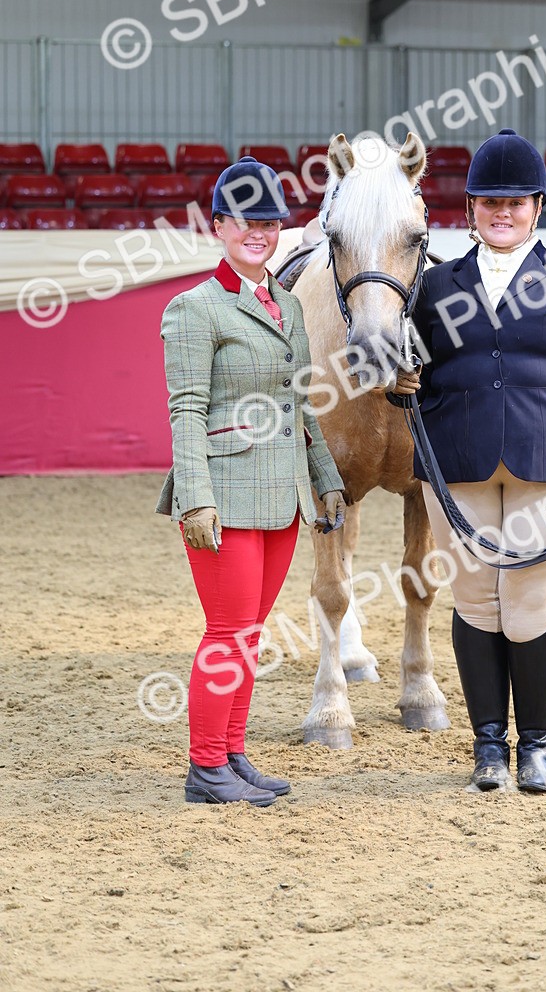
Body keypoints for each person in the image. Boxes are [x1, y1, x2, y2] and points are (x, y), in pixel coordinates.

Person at [394, 128, 546, 794]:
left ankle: (536, 747)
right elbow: (401, 367)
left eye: (516, 202)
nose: (503, 213)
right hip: (458, 461)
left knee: (529, 607)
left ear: (537, 205)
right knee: (476, 604)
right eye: (488, 202)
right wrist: (399, 379)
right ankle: (488, 748)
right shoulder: (435, 285)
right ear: (469, 208)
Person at [156, 156, 346, 807]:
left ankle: (232, 756)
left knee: (249, 634)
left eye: (268, 221)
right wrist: (196, 498)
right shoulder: (193, 309)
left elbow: (303, 408)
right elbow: (185, 411)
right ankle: (205, 767)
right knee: (227, 633)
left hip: (281, 500)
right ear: (220, 227)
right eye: (244, 222)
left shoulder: (289, 306)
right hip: (225, 498)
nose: (258, 232)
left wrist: (326, 481)